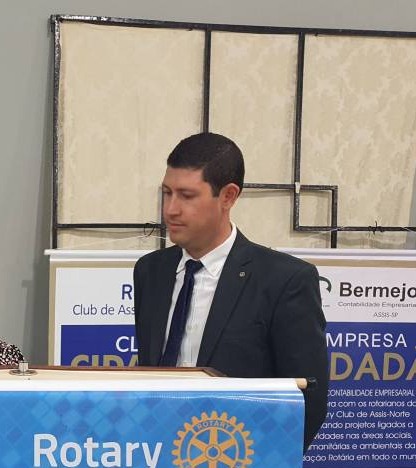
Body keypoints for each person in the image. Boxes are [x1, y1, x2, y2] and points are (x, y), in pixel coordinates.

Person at [133, 133, 328, 449]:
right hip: (155, 457)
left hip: (237, 462)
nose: (170, 210)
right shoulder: (150, 271)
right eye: (167, 193)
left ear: (228, 196)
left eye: (187, 196)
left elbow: (307, 400)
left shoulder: (284, 280)